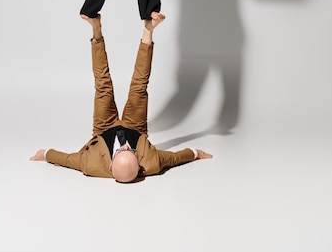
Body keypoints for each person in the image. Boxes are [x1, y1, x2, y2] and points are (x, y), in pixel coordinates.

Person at [30, 14, 212, 183]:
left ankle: (96, 29)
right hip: (135, 126)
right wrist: (195, 153)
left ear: (110, 165)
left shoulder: (90, 163)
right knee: (139, 86)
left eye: (120, 152)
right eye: (131, 152)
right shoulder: (152, 162)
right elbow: (174, 158)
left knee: (103, 85)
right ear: (140, 165)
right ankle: (148, 30)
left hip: (104, 127)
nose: (124, 147)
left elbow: (67, 159)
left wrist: (45, 154)